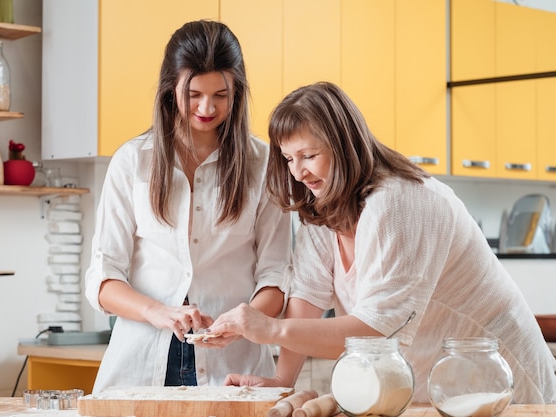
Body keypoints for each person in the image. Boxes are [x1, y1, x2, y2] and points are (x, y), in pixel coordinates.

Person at [207, 81, 556, 404]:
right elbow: (307, 296)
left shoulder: (400, 203)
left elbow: (378, 332)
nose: (298, 172)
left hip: (502, 384)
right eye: (288, 159)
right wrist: (282, 380)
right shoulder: (323, 203)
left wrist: (270, 328)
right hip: (431, 388)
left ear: (344, 145)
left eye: (309, 156)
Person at [84, 20, 291, 393]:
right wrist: (158, 312)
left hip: (234, 364)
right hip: (141, 361)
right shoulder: (133, 162)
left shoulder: (263, 164)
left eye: (221, 95)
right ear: (170, 89)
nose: (207, 107)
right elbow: (103, 278)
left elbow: (276, 277)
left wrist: (245, 321)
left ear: (237, 93)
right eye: (193, 93)